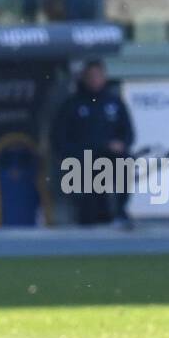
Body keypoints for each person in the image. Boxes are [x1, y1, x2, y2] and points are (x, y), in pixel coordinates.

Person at [53, 60, 135, 227]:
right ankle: (89, 213)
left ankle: (120, 211)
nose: (95, 80)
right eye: (91, 76)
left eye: (98, 76)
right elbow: (59, 136)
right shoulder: (72, 105)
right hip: (82, 158)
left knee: (124, 162)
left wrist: (121, 144)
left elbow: (128, 133)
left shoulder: (114, 103)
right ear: (84, 78)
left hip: (109, 156)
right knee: (90, 210)